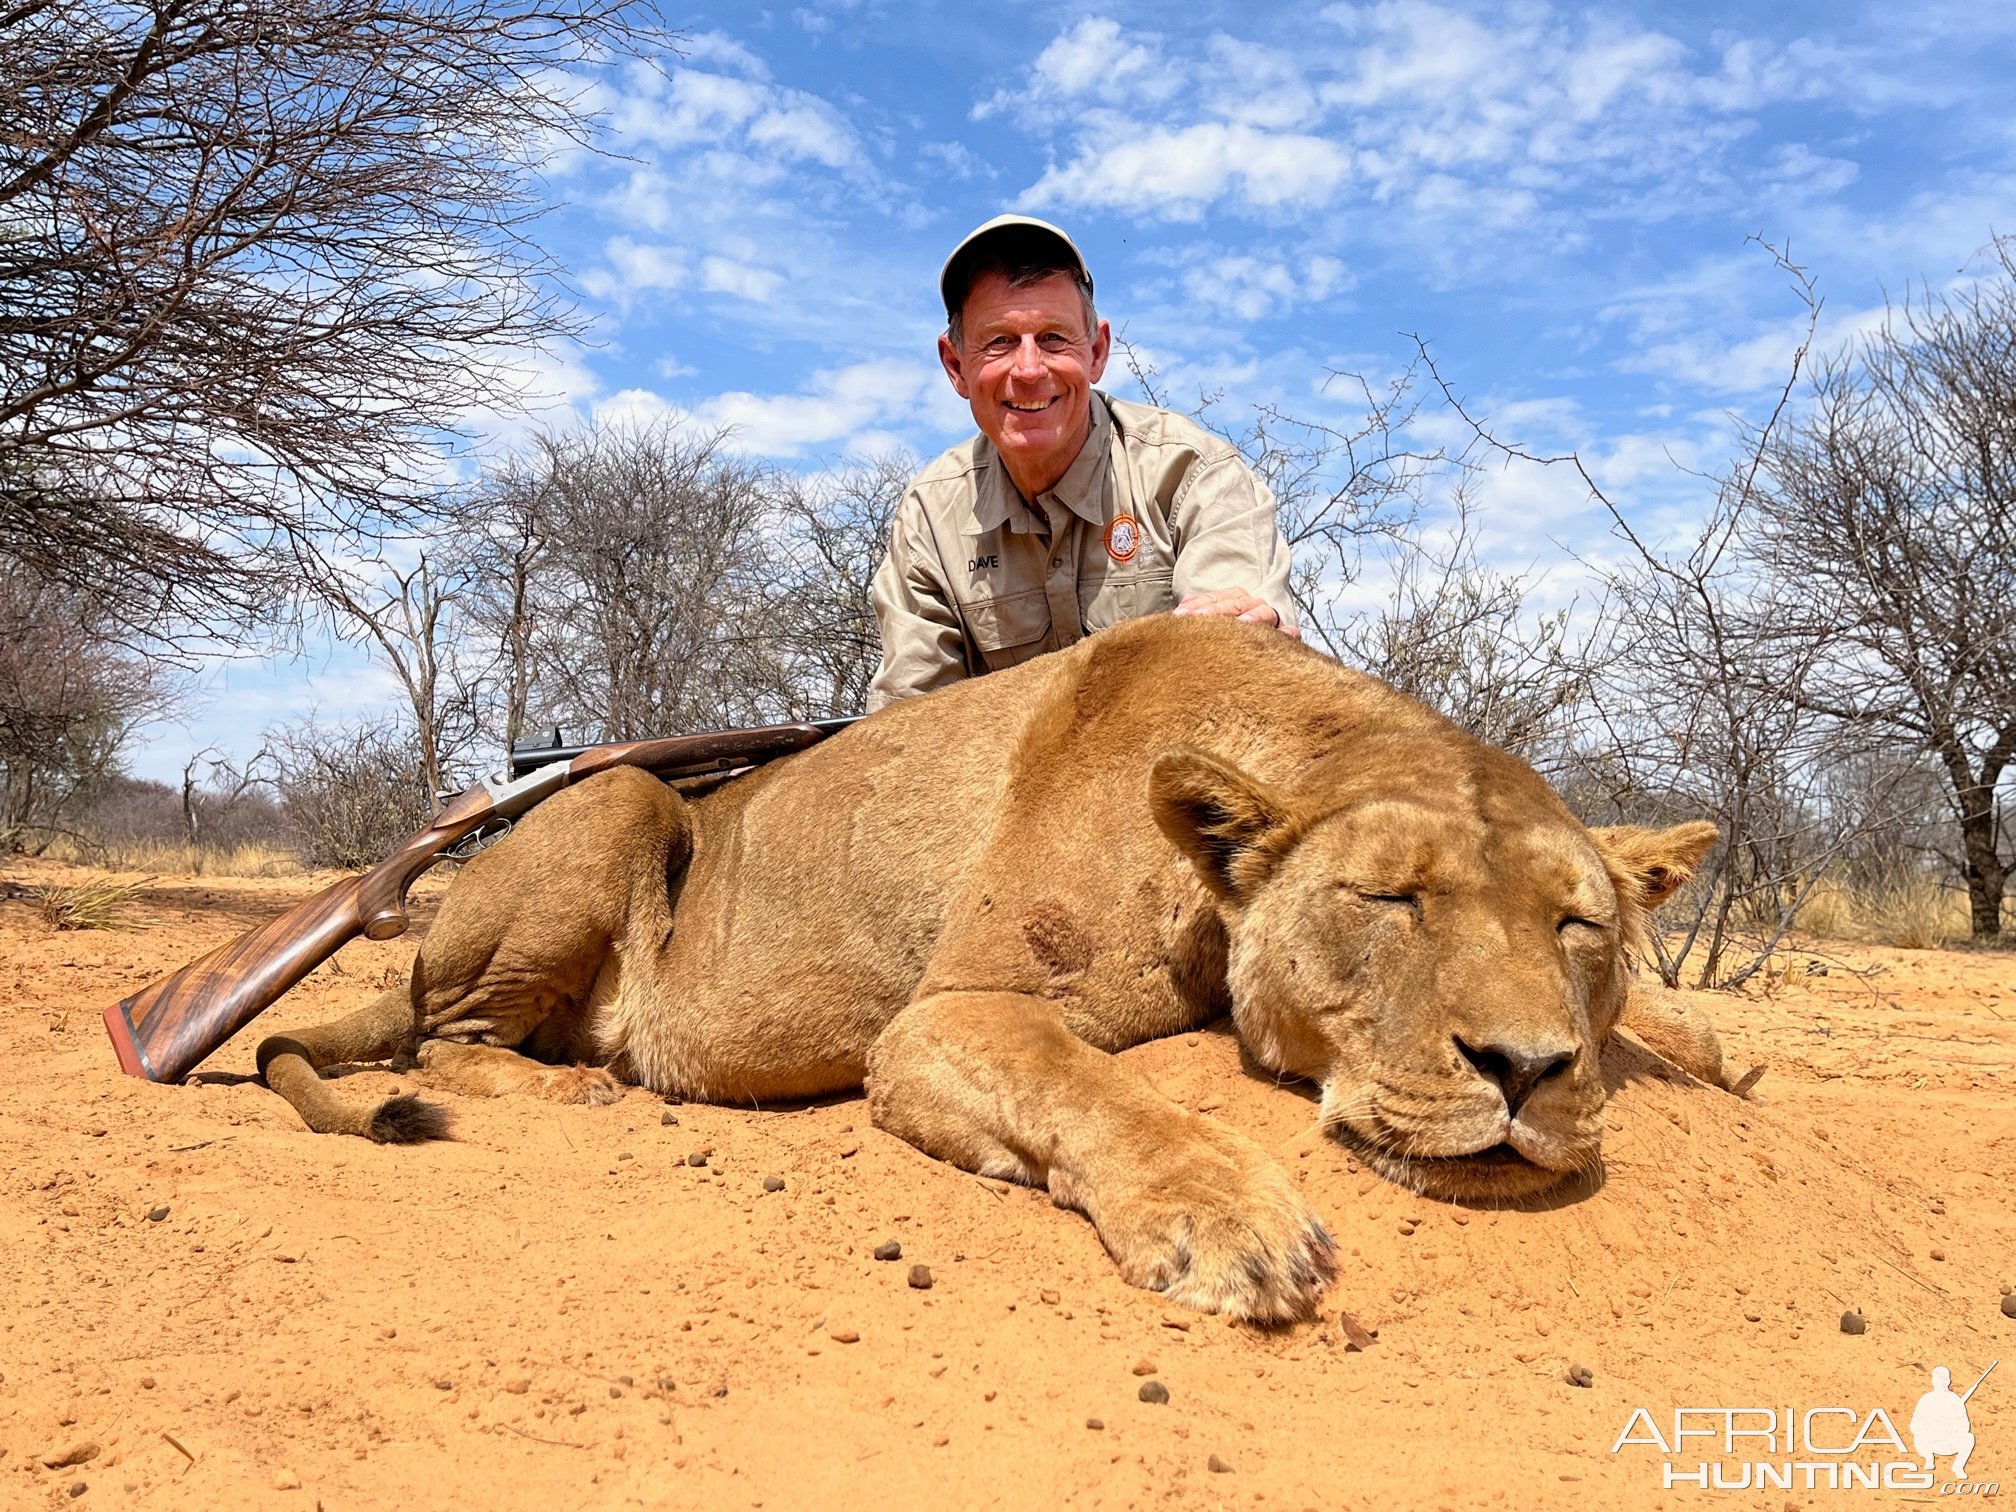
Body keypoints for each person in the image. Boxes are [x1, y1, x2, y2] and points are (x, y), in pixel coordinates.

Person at [866, 215, 1299, 710]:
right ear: (955, 366)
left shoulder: (1194, 473)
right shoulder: (929, 516)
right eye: (999, 342)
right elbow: (908, 727)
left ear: (1096, 352)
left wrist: (1242, 635)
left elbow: (1230, 674)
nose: (1029, 370)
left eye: (1053, 338)